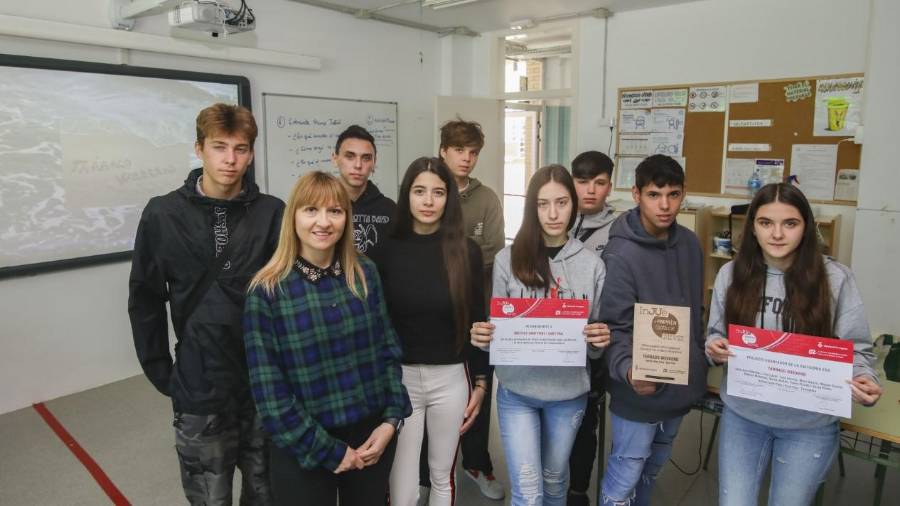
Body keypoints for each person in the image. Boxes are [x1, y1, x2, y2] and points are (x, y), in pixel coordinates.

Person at [128, 103, 283, 505]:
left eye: (241, 148)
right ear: (199, 148)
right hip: (200, 381)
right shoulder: (163, 214)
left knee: (266, 491)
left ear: (251, 153)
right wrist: (162, 370)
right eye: (219, 147)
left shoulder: (272, 213)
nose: (230, 160)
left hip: (262, 379)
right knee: (209, 496)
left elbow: (287, 295)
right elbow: (145, 297)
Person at [705, 182, 882, 506]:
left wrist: (865, 379)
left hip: (809, 425)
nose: (777, 234)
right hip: (744, 417)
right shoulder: (731, 274)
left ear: (807, 227)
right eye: (765, 223)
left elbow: (857, 349)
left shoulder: (836, 279)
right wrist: (715, 346)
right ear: (753, 228)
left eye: (790, 223)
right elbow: (716, 333)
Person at [243, 171, 411, 506]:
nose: (323, 222)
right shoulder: (267, 291)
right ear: (293, 217)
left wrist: (391, 421)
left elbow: (388, 352)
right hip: (302, 445)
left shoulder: (365, 274)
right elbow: (271, 396)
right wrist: (330, 451)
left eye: (335, 211)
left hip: (370, 439)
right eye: (311, 210)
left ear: (347, 219)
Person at [470, 164, 610, 506]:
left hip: (569, 393)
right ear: (532, 208)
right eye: (543, 204)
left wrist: (598, 342)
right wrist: (484, 335)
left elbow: (593, 349)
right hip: (518, 391)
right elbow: (498, 327)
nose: (552, 213)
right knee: (528, 493)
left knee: (554, 482)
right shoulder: (507, 259)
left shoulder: (592, 265)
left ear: (572, 205)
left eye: (561, 202)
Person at [369, 157, 489, 506]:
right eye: (419, 191)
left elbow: (479, 323)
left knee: (442, 476)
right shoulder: (384, 251)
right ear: (407, 196)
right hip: (400, 380)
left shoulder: (465, 251)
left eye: (438, 192)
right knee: (402, 487)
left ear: (448, 198)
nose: (428, 201)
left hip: (451, 378)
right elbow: (376, 322)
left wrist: (481, 383)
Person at [598, 154, 706, 506]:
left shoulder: (690, 243)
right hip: (638, 390)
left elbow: (695, 311)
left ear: (683, 194)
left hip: (679, 387)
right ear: (636, 194)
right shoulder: (620, 253)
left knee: (654, 468)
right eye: (654, 194)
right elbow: (613, 326)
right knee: (626, 472)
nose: (664, 205)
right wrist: (629, 371)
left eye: (673, 194)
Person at [438, 118, 506, 500]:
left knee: (480, 387)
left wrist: (459, 258)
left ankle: (477, 463)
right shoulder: (428, 189)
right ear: (444, 151)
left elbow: (494, 253)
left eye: (473, 152)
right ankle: (427, 470)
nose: (467, 159)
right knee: (432, 392)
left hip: (478, 309)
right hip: (433, 311)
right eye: (459, 150)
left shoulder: (487, 198)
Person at [566, 150, 615, 506]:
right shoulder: (555, 217)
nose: (590, 191)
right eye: (583, 182)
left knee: (586, 420)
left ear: (609, 186)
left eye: (599, 183)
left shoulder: (622, 227)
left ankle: (578, 488)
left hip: (594, 340)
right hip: (553, 340)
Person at [332, 124, 396, 257]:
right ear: (335, 159)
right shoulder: (321, 205)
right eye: (350, 156)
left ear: (374, 162)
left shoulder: (389, 210)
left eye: (366, 158)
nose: (358, 165)